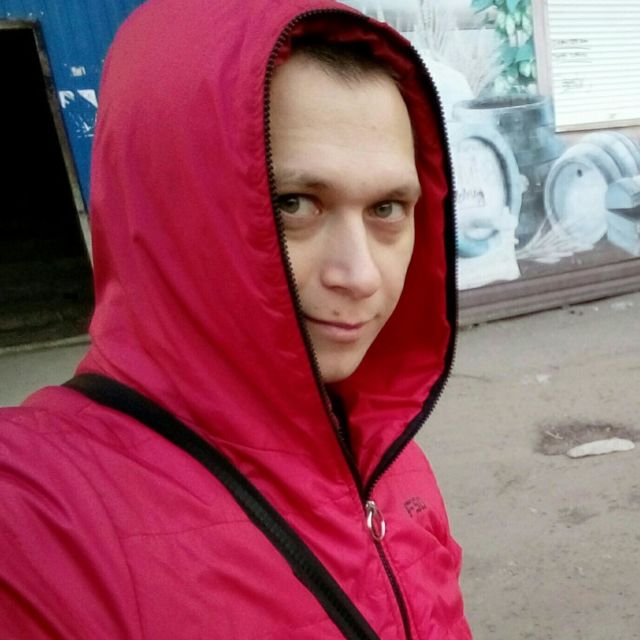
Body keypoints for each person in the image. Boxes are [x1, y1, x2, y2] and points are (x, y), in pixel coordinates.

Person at [0, 0, 471, 637]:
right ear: (166, 197)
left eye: (386, 208)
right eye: (295, 203)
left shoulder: (390, 455)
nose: (360, 275)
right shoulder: (37, 514)